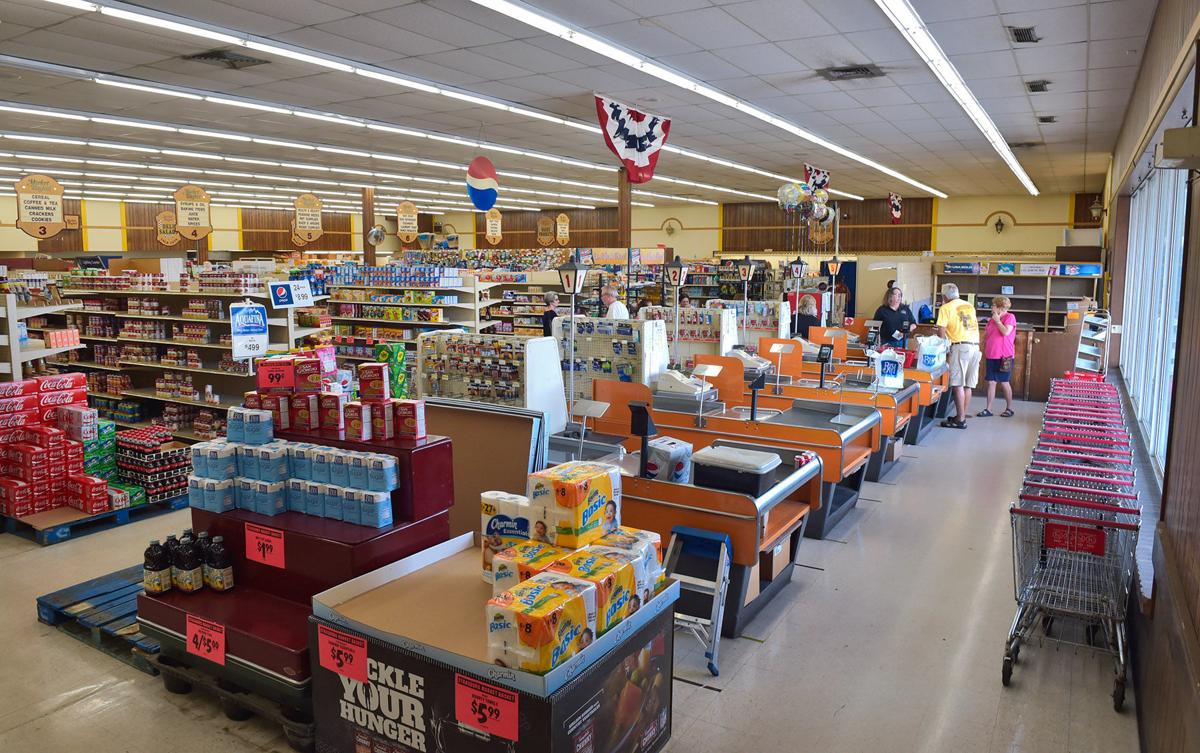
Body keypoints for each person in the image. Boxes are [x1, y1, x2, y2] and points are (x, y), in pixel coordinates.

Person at [936, 283, 980, 429]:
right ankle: (961, 416)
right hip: (975, 346)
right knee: (968, 384)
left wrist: (944, 348)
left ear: (945, 296)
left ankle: (960, 420)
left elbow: (941, 330)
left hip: (960, 347)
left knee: (957, 384)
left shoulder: (945, 307)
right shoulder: (968, 305)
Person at [978, 296, 1016, 418]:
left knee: (1004, 382)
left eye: (993, 305)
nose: (991, 307)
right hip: (991, 354)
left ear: (1000, 307)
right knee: (991, 382)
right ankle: (988, 409)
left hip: (1005, 355)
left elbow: (1006, 332)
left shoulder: (1010, 317)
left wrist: (998, 321)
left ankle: (1009, 408)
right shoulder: (991, 320)